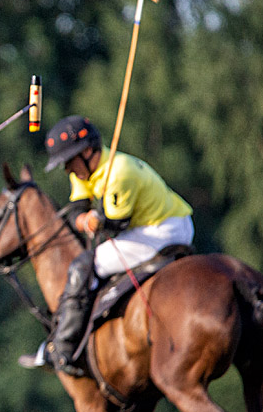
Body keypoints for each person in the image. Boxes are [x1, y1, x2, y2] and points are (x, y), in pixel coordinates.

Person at [33, 114, 194, 376]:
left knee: (83, 266)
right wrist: (86, 220)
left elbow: (117, 224)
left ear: (86, 152)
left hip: (163, 230)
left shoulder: (120, 171)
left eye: (68, 161)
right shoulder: (83, 170)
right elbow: (76, 210)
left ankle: (62, 347)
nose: (67, 170)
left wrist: (98, 220)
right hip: (145, 227)